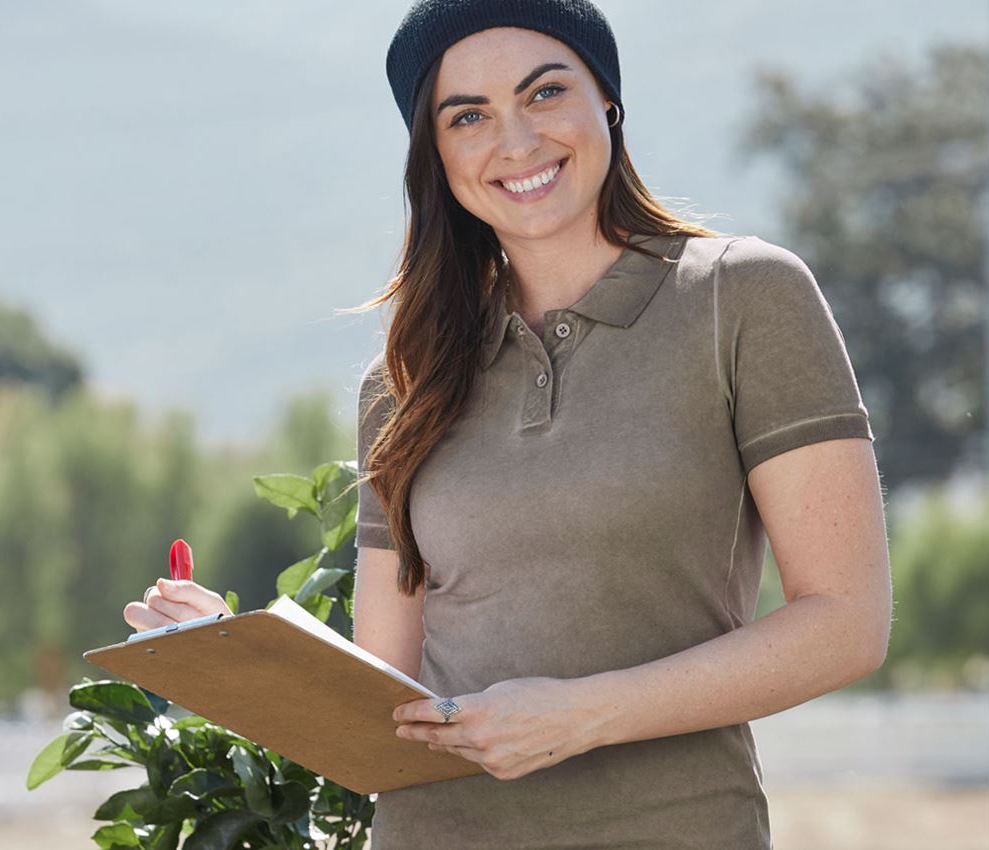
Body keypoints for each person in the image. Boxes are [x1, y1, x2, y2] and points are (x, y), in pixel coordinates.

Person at [126, 1, 893, 847]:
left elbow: (845, 623)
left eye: (544, 92)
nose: (517, 141)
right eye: (469, 116)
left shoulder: (741, 299)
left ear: (607, 100)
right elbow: (390, 695)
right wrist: (243, 656)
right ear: (437, 155)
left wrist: (583, 714)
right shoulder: (404, 383)